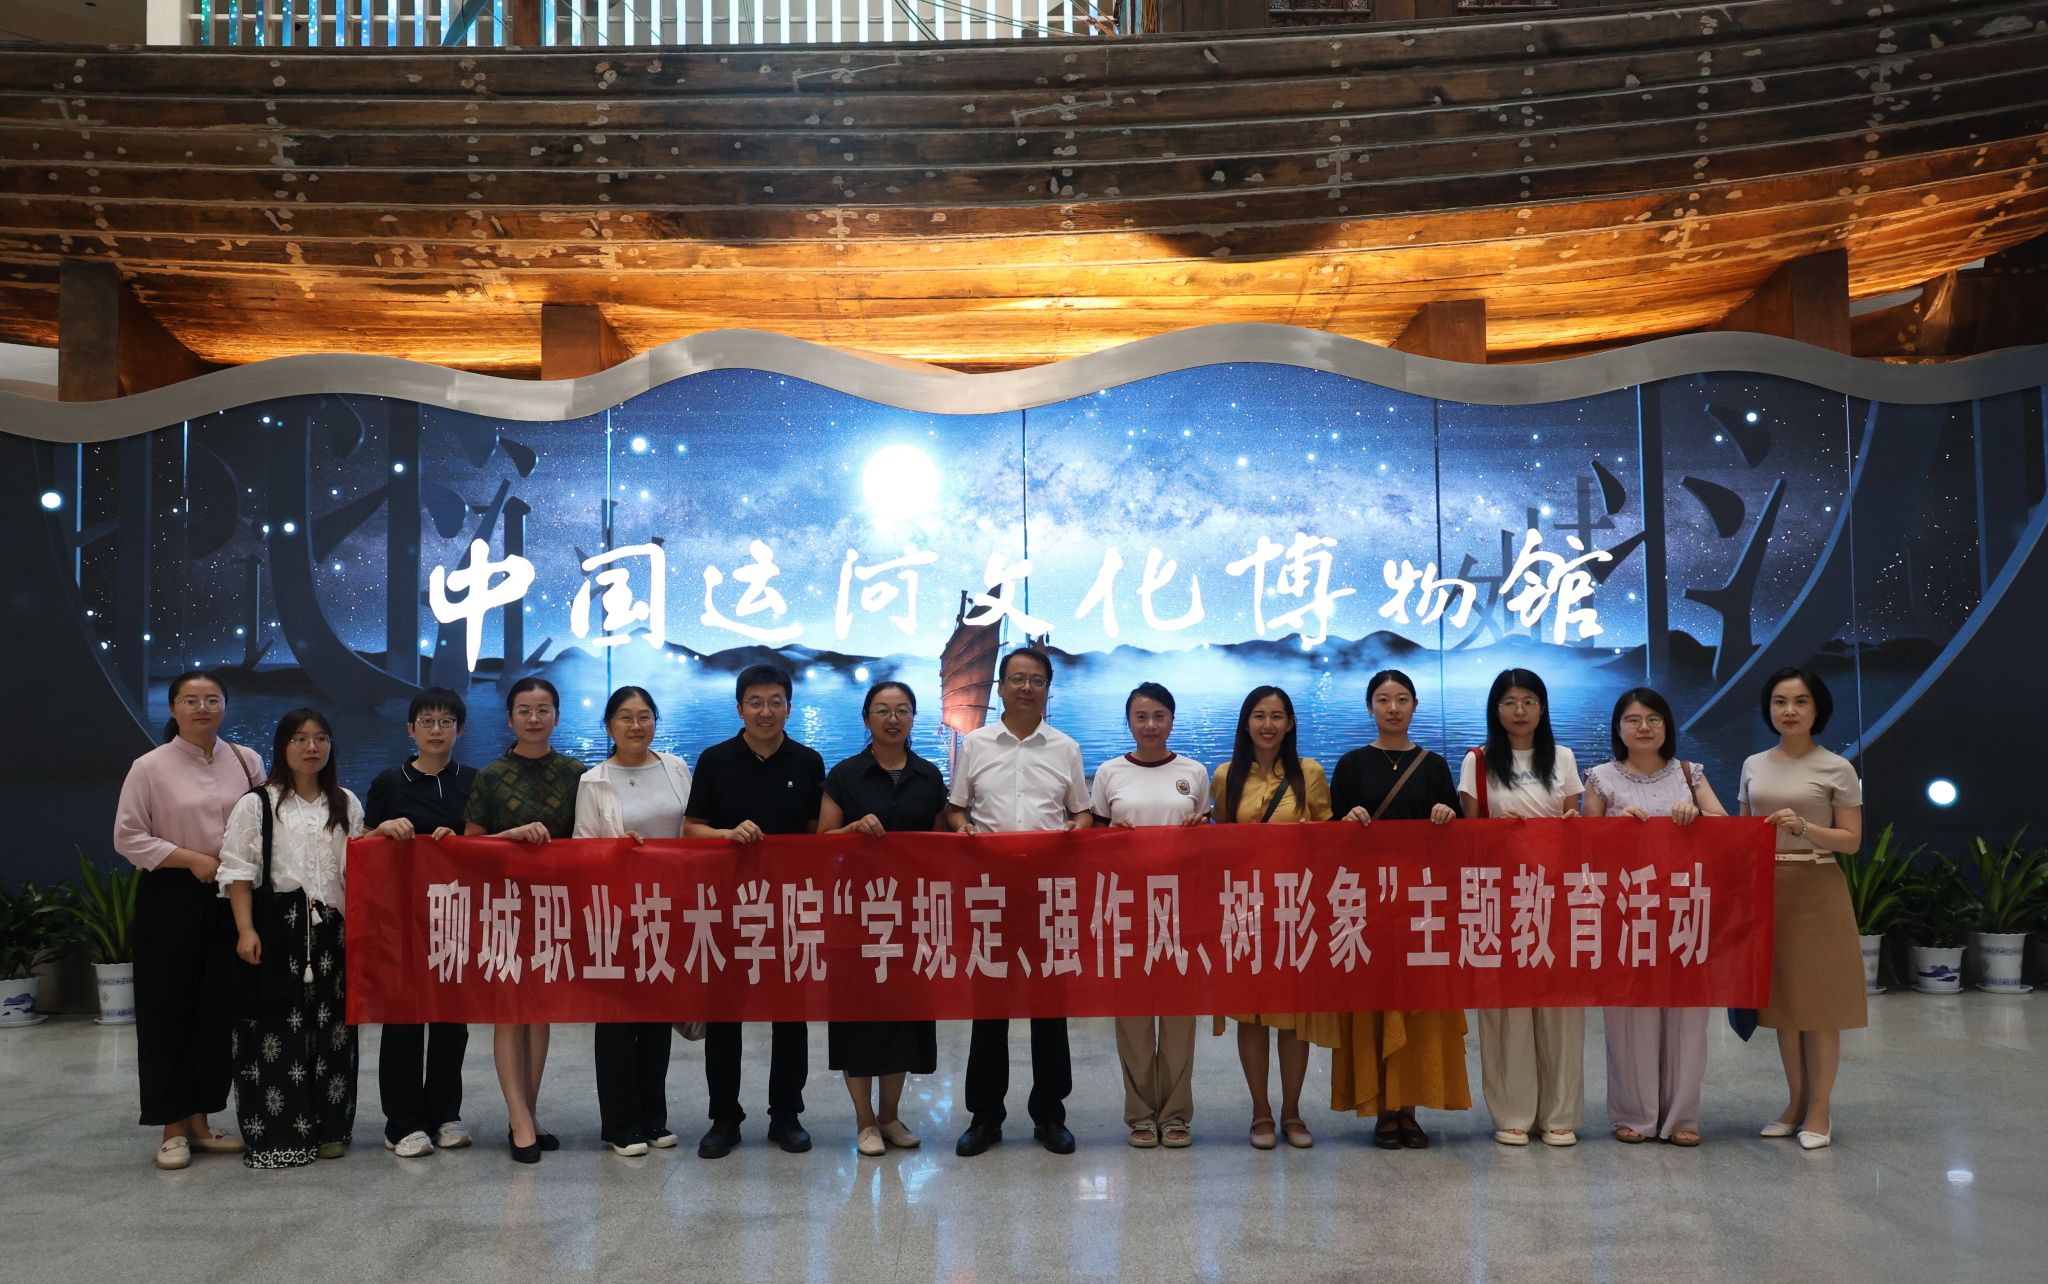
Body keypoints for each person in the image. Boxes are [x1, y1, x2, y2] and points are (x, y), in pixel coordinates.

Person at [218, 709, 408, 1168]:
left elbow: (358, 861)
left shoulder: (344, 801)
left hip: (333, 933)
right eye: (300, 739)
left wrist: (381, 832)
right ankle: (280, 1133)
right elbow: (239, 872)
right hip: (276, 931)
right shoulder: (257, 803)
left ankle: (330, 1129)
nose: (311, 747)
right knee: (274, 1030)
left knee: (333, 1032)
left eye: (321, 738)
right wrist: (245, 930)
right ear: (282, 746)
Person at [112, 671, 263, 1171]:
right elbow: (129, 837)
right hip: (172, 895)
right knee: (167, 1009)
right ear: (173, 708)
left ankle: (200, 1120)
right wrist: (191, 859)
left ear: (225, 707)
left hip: (233, 898)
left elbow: (265, 822)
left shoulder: (247, 760)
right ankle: (171, 1126)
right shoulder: (149, 767)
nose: (203, 708)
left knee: (215, 1011)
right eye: (191, 700)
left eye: (212, 700)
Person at [949, 646, 1093, 1158]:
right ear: (1001, 687)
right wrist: (962, 829)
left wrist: (1076, 831)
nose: (1026, 688)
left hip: (1047, 894)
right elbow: (957, 809)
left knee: (1048, 1008)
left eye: (1036, 680)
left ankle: (1050, 1115)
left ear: (1048, 688)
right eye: (1016, 679)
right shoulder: (977, 744)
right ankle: (985, 1116)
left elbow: (1082, 812)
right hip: (990, 893)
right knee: (989, 1008)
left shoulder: (1066, 748)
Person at [684, 664, 827, 1159]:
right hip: (726, 906)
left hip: (788, 907)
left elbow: (816, 835)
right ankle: (724, 1117)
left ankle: (786, 1115)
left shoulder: (808, 761)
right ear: (740, 708)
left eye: (775, 702)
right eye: (756, 702)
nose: (766, 712)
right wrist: (726, 835)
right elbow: (691, 828)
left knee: (790, 1015)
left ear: (789, 707)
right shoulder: (714, 760)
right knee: (725, 1016)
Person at [1582, 687, 1729, 1147]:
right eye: (1633, 719)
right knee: (1631, 1015)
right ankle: (1635, 1113)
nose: (1643, 727)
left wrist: (1698, 816)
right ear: (1618, 728)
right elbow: (1582, 848)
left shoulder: (1689, 774)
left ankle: (1682, 1115)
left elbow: (1728, 829)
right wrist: (1614, 828)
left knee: (1688, 1015)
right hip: (1627, 913)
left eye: (1653, 719)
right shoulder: (1600, 779)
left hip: (1685, 908)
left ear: (1667, 725)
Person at [1329, 669, 1465, 1150]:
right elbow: (1331, 838)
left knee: (1417, 1006)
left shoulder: (1434, 766)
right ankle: (1383, 1109)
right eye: (1383, 699)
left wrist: (1448, 815)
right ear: (1370, 707)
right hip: (1368, 906)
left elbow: (1455, 840)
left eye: (1402, 699)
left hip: (1420, 905)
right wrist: (1345, 820)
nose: (1393, 708)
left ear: (1415, 706)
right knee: (1376, 1004)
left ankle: (1410, 1108)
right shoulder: (1350, 764)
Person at [1456, 668, 1586, 1149]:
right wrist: (1495, 830)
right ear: (1496, 709)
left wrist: (1569, 823)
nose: (1519, 710)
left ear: (1542, 707)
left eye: (1529, 701)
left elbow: (1574, 821)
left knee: (1560, 1007)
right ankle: (1512, 1112)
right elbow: (1466, 836)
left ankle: (1559, 1114)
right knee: (1506, 1007)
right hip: (1500, 897)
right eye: (1510, 702)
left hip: (1556, 894)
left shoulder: (1563, 757)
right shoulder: (1477, 760)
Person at [817, 681, 947, 1157]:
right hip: (855, 913)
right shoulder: (845, 775)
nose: (893, 719)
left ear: (913, 718)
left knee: (902, 1017)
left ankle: (890, 1117)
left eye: (902, 710)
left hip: (910, 914)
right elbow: (820, 844)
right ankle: (864, 1120)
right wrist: (852, 829)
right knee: (858, 1017)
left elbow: (939, 848)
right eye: (882, 710)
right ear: (866, 718)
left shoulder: (929, 776)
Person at [1739, 667, 1865, 1152]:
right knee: (1785, 1007)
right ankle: (1795, 1103)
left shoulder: (1836, 767)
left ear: (1817, 709)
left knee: (1820, 1006)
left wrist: (1805, 828)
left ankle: (1820, 1109)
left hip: (1817, 887)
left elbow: (1851, 841)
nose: (1789, 711)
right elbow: (1744, 834)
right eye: (1779, 701)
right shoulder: (1753, 764)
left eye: (1800, 701)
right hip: (1768, 890)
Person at [463, 677, 585, 1164]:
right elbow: (470, 848)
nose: (534, 719)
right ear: (510, 718)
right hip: (505, 907)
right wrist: (509, 836)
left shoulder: (578, 774)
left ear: (557, 715)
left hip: (557, 906)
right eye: (524, 710)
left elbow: (591, 839)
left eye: (543, 710)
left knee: (540, 1012)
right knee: (511, 1012)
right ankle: (518, 1120)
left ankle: (529, 1113)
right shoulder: (491, 776)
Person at [1208, 685, 1334, 1151]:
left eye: (1277, 716)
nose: (1268, 725)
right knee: (1253, 1015)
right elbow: (1220, 839)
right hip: (1244, 908)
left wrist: (1312, 836)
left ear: (1290, 723)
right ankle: (1260, 1111)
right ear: (1246, 723)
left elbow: (1329, 836)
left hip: (1296, 909)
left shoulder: (1310, 773)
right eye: (1259, 715)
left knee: (1294, 1016)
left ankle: (1293, 1111)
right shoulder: (1225, 775)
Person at [573, 685, 693, 1158]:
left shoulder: (676, 768)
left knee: (658, 1018)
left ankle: (653, 1117)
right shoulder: (594, 781)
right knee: (618, 1021)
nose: (636, 725)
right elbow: (582, 847)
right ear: (609, 726)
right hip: (616, 912)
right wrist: (613, 848)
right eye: (625, 717)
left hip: (669, 909)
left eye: (644, 716)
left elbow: (692, 831)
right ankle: (620, 1124)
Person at [1089, 682, 1210, 1150]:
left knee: (1179, 1016)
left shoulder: (1193, 772)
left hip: (1182, 910)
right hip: (1128, 910)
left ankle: (1175, 1115)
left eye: (1159, 716)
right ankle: (1140, 1114)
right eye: (1141, 717)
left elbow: (1208, 839)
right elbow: (1093, 840)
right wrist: (1109, 835)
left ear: (1172, 719)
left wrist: (1201, 829)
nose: (1150, 725)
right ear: (1129, 722)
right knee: (1134, 1017)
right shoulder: (1109, 772)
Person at [363, 687, 477, 1160]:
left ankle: (445, 1114)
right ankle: (403, 1123)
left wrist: (462, 841)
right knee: (404, 1019)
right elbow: (362, 845)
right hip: (402, 918)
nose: (436, 730)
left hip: (456, 917)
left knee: (452, 1020)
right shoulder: (390, 782)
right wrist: (382, 830)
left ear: (460, 730)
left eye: (446, 722)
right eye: (427, 721)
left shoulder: (473, 782)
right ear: (411, 729)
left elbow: (485, 845)